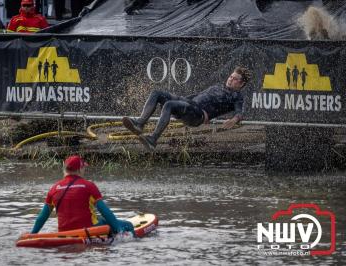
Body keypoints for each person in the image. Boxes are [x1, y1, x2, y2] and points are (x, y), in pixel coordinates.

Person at [122, 66, 251, 150]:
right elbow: (198, 95)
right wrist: (180, 99)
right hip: (188, 103)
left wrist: (234, 120)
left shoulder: (237, 96)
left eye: (235, 79)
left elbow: (240, 113)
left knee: (168, 105)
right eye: (231, 77)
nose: (230, 79)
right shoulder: (218, 86)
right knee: (157, 93)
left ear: (241, 83)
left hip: (198, 114)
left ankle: (153, 139)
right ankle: (139, 124)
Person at [30, 155, 135, 236]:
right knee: (128, 225)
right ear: (80, 169)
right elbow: (105, 211)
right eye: (83, 168)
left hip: (64, 232)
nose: (84, 170)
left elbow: (42, 217)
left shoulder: (53, 189)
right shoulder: (89, 186)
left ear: (65, 170)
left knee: (98, 218)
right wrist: (119, 230)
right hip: (90, 230)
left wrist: (32, 235)